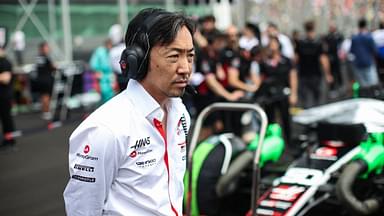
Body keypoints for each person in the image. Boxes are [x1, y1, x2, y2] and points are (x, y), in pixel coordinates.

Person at [63, 8, 195, 215]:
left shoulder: (180, 112)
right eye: (174, 56)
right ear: (138, 59)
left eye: (190, 56)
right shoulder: (105, 130)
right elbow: (83, 210)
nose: (185, 68)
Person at [295, 20, 333, 108]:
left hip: (303, 74)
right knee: (317, 99)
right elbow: (324, 59)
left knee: (304, 100)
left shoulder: (300, 43)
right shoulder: (318, 42)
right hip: (315, 74)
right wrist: (328, 74)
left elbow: (295, 59)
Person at [350, 18, 379, 88]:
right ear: (365, 26)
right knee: (372, 84)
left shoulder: (354, 38)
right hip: (368, 62)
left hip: (358, 64)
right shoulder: (369, 37)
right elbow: (375, 50)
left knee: (363, 86)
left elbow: (352, 51)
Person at [0, 45, 16, 150]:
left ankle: (10, 140)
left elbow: (6, 79)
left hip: (4, 96)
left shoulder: (5, 62)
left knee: (6, 119)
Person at [35, 42, 56, 120]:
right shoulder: (46, 57)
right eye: (47, 47)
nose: (48, 49)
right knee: (46, 96)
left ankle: (45, 111)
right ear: (43, 48)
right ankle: (47, 111)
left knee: (43, 96)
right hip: (46, 80)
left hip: (40, 79)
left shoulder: (38, 57)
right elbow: (52, 67)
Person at [89, 39, 115, 103]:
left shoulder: (112, 51)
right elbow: (93, 64)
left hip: (111, 78)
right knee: (104, 95)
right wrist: (98, 72)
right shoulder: (100, 51)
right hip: (102, 78)